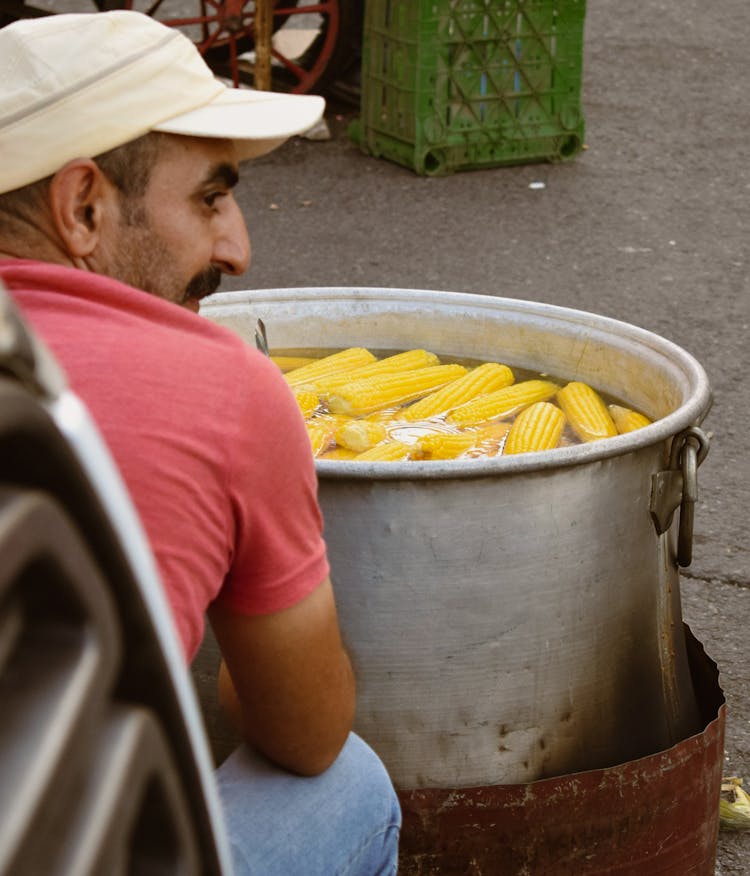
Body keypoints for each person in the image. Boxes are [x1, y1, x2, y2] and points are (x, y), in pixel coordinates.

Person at [0, 10, 401, 875]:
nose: (239, 249)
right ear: (82, 207)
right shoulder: (220, 386)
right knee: (349, 788)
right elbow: (303, 734)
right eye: (211, 198)